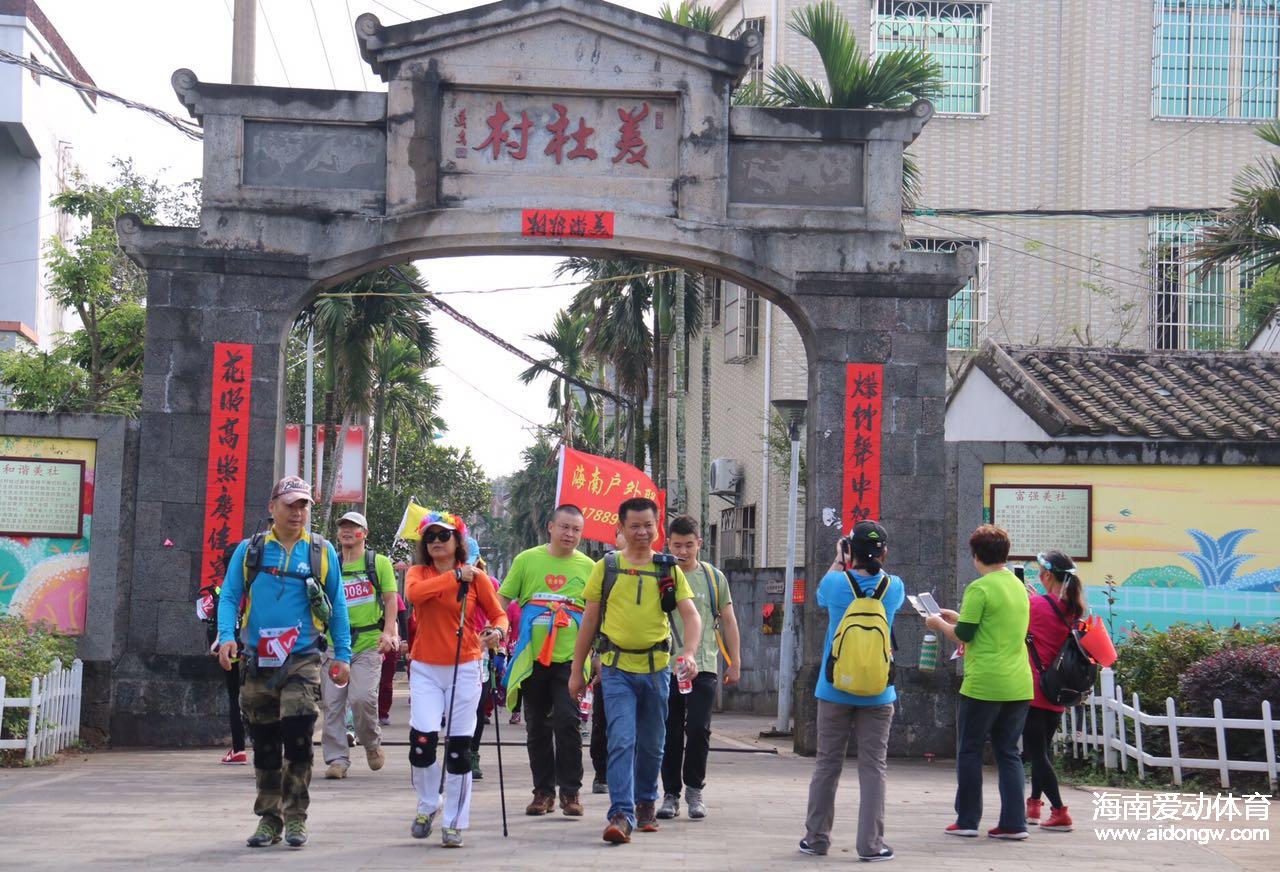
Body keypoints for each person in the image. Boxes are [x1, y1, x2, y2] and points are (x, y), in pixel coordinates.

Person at [215, 476, 351, 849]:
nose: (298, 512)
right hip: (258, 659)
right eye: (291, 504)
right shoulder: (251, 550)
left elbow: (337, 605)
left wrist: (343, 654)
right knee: (266, 743)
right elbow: (229, 596)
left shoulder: (322, 553)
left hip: (303, 658)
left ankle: (296, 819)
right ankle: (268, 820)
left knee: (298, 734)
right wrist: (227, 636)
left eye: (304, 505)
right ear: (272, 507)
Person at [568, 497, 702, 845]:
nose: (642, 532)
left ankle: (646, 802)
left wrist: (689, 652)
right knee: (622, 740)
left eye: (648, 525)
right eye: (634, 526)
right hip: (615, 670)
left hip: (657, 669)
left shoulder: (666, 568)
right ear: (622, 529)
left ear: (658, 527)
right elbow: (590, 621)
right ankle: (621, 814)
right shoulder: (607, 566)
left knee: (654, 744)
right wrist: (576, 670)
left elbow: (690, 615)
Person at [799, 521, 903, 861]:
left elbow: (818, 596)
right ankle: (871, 845)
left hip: (834, 689)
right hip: (878, 691)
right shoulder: (894, 587)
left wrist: (838, 560)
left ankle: (816, 839)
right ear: (884, 553)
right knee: (874, 768)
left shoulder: (834, 583)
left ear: (850, 551)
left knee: (827, 764)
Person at [405, 511, 508, 849]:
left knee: (459, 750)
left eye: (443, 536)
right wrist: (454, 578)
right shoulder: (417, 573)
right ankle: (428, 802)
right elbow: (415, 596)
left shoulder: (477, 579)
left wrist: (496, 632)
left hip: (465, 667)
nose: (436, 542)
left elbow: (500, 615)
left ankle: (454, 821)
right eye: (430, 537)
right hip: (424, 668)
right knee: (422, 743)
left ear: (457, 541)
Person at [925, 524, 1033, 841]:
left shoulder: (979, 589)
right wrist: (957, 616)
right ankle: (1015, 823)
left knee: (969, 750)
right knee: (1009, 753)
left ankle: (968, 819)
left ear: (976, 556)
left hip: (985, 682)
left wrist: (937, 623)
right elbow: (993, 625)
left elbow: (965, 636)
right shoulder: (1017, 587)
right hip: (1018, 683)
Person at [498, 504, 596, 817]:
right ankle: (542, 792)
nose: (570, 534)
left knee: (568, 723)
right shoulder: (526, 560)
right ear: (550, 527)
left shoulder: (590, 567)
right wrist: (495, 628)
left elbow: (598, 613)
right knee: (537, 726)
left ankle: (571, 793)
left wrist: (599, 655)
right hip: (532, 659)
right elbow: (501, 600)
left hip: (571, 659)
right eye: (564, 527)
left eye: (576, 530)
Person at [658, 514, 741, 821]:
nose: (682, 552)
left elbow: (729, 620)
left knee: (698, 730)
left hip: (703, 665)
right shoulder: (660, 575)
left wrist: (735, 662)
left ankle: (694, 790)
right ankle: (670, 794)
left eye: (689, 545)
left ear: (700, 544)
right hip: (664, 667)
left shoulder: (712, 577)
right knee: (669, 733)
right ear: (668, 543)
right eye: (677, 545)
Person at [321, 511, 399, 779]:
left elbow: (390, 600)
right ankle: (337, 759)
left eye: (353, 527)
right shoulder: (330, 564)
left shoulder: (378, 563)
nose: (346, 531)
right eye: (342, 527)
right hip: (333, 645)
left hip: (367, 644)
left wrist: (388, 633)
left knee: (361, 698)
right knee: (332, 704)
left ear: (364, 533)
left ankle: (371, 743)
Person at [1023, 550, 1084, 832]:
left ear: (1047, 575)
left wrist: (1028, 600)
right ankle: (1034, 804)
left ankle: (1059, 811)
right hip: (1057, 690)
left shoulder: (1034, 605)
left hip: (1034, 689)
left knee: (1037, 754)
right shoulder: (1075, 609)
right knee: (1042, 750)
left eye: (1040, 572)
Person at [378, 590, 408, 726]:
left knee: (386, 681)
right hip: (369, 642)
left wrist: (404, 641)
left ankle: (383, 712)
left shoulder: (395, 596)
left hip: (391, 642)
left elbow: (402, 619)